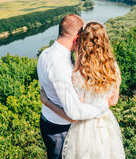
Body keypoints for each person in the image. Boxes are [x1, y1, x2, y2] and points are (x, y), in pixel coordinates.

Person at [40, 21, 125, 159]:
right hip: (105, 124)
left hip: (85, 128)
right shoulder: (114, 68)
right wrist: (104, 104)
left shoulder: (79, 73)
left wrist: (47, 102)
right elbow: (114, 101)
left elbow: (76, 112)